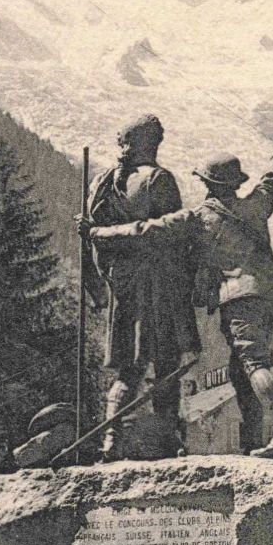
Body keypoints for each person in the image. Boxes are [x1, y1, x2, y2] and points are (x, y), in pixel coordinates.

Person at [86, 136, 273, 459]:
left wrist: (98, 233)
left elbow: (145, 229)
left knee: (253, 363)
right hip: (270, 296)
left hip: (238, 298)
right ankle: (254, 441)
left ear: (208, 183)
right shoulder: (256, 204)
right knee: (239, 369)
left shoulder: (198, 218)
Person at [83, 114, 202, 460]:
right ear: (153, 143)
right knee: (166, 363)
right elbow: (170, 236)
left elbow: (94, 238)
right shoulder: (158, 180)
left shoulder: (102, 183)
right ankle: (170, 440)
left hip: (124, 287)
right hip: (159, 286)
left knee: (128, 369)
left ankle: (111, 438)